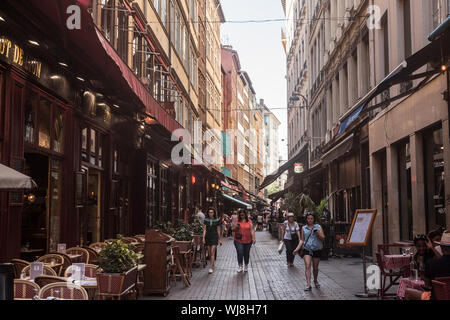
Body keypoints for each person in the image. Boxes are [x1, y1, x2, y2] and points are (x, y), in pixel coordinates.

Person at [405, 232, 450, 300]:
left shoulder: (431, 263)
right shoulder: (430, 260)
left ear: (441, 247)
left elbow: (427, 284)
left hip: (436, 297)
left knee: (408, 293)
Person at [294, 212, 325, 291]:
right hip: (307, 249)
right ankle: (308, 284)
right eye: (308, 219)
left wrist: (317, 234)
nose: (310, 220)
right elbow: (302, 240)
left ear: (314, 219)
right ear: (306, 219)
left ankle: (315, 280)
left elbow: (323, 238)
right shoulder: (304, 228)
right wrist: (297, 249)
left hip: (316, 249)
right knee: (307, 266)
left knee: (315, 267)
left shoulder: (318, 227)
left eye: (311, 218)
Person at [203, 208, 222, 274]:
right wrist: (203, 238)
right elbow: (204, 229)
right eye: (209, 212)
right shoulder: (206, 220)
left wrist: (220, 239)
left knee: (212, 252)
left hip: (214, 236)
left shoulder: (217, 220)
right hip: (208, 236)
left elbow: (218, 230)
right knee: (209, 253)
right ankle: (212, 264)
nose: (210, 213)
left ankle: (211, 267)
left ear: (214, 213)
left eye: (212, 212)